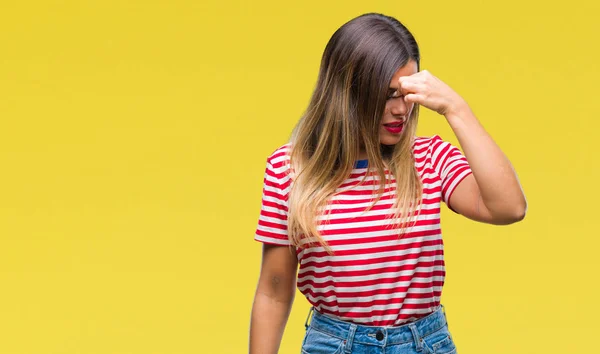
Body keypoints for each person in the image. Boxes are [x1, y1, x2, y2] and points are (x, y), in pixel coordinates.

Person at [249, 12, 527, 354]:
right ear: (347, 93)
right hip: (333, 345)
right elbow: (273, 290)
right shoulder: (289, 169)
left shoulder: (429, 159)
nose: (402, 110)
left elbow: (509, 207)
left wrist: (456, 108)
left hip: (424, 344)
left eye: (408, 94)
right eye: (387, 94)